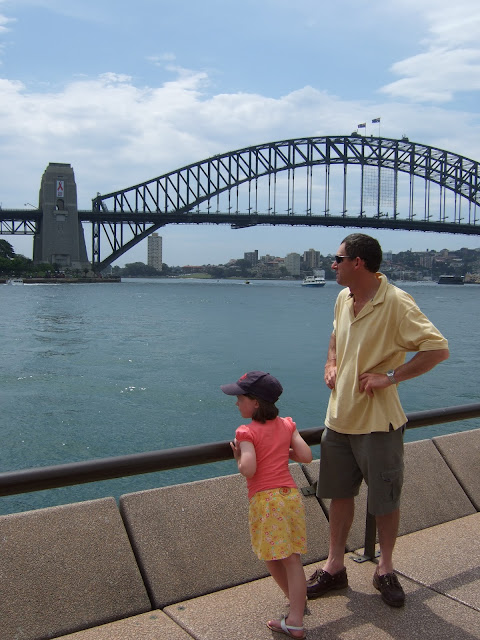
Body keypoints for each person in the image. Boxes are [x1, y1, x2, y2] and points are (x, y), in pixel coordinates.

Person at [307, 234, 449, 608]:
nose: (332, 264)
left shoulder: (397, 302)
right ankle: (335, 566)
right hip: (338, 418)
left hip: (378, 422)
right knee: (339, 494)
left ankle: (385, 568)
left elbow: (438, 349)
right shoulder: (343, 298)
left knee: (385, 499)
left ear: (358, 262)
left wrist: (390, 377)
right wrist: (331, 362)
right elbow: (335, 335)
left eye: (338, 258)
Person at [222, 370, 313, 639]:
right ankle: (296, 606)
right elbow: (306, 456)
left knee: (274, 556)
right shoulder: (287, 425)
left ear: (255, 403)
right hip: (290, 496)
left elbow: (249, 469)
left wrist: (239, 457)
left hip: (266, 500)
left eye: (240, 398)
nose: (236, 402)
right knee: (290, 558)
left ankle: (295, 619)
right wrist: (282, 450)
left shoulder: (246, 432)